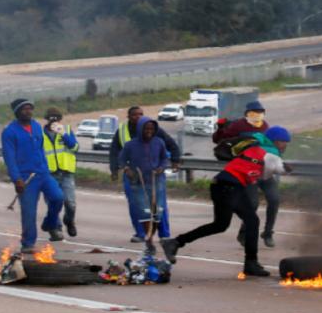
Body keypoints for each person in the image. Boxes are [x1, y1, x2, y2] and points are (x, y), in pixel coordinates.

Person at [162, 126, 293, 276]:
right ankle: (250, 263)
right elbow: (275, 171)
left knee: (230, 224)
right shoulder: (271, 154)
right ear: (276, 141)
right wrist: (288, 169)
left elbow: (259, 172)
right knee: (238, 223)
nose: (285, 146)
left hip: (225, 185)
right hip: (229, 187)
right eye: (284, 142)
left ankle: (175, 243)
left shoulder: (255, 147)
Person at [212, 101, 279, 248]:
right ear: (246, 114)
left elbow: (270, 146)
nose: (257, 115)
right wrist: (220, 128)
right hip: (247, 171)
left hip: (264, 169)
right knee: (253, 204)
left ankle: (268, 233)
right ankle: (243, 232)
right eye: (253, 112)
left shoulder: (265, 126)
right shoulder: (238, 126)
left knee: (274, 199)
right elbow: (218, 139)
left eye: (260, 112)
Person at [109, 106, 181, 243]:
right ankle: (141, 233)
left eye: (141, 114)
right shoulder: (122, 131)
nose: (138, 116)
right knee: (136, 204)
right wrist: (115, 170)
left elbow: (171, 145)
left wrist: (175, 160)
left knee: (159, 205)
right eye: (135, 115)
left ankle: (164, 234)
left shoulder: (154, 129)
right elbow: (115, 152)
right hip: (133, 176)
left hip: (154, 176)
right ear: (128, 117)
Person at [1, 99, 64, 253]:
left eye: (30, 108)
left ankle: (49, 224)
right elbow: (9, 158)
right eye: (24, 109)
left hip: (43, 173)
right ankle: (28, 243)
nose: (28, 111)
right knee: (29, 212)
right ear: (17, 112)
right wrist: (17, 179)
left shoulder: (36, 126)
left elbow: (41, 149)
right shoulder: (10, 132)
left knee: (58, 197)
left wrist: (45, 168)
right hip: (25, 178)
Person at [117, 116, 169, 256]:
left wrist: (161, 168)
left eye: (152, 129)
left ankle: (151, 236)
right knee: (145, 214)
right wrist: (127, 170)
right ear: (140, 128)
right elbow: (121, 160)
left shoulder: (159, 142)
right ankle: (149, 241)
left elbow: (165, 159)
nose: (149, 131)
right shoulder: (130, 145)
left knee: (157, 214)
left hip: (156, 183)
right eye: (146, 128)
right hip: (138, 183)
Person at [42, 107, 79, 237]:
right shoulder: (41, 134)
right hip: (49, 174)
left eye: (56, 118)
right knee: (53, 202)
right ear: (46, 119)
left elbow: (75, 147)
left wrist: (63, 133)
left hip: (66, 172)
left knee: (70, 203)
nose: (54, 121)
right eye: (51, 118)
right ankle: (56, 228)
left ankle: (69, 221)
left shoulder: (66, 131)